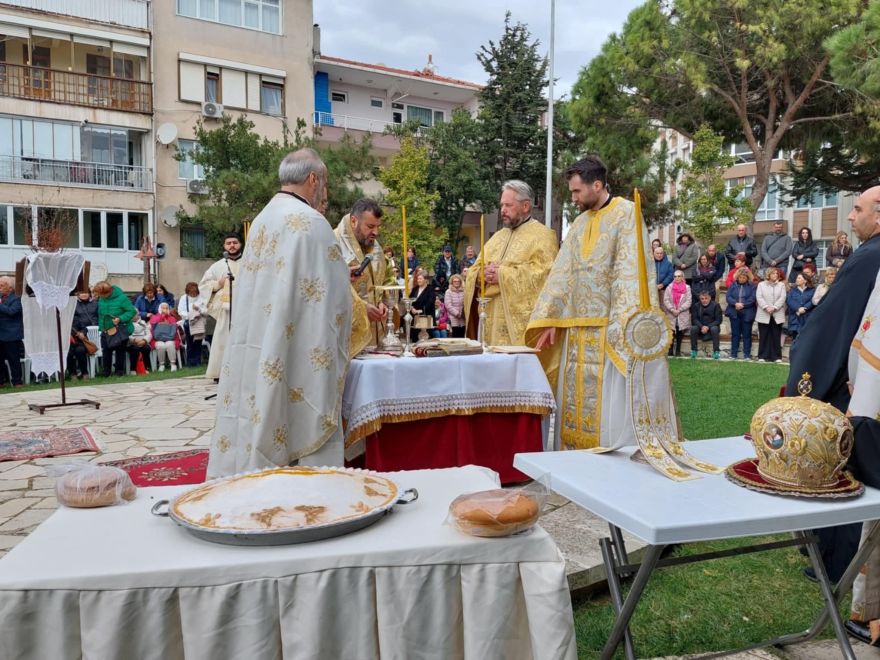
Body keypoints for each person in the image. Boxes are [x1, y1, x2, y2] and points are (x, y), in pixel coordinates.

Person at [207, 148, 370, 479]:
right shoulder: (311, 223)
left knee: (260, 410)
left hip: (261, 341)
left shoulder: (265, 218)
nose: (325, 192)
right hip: (292, 350)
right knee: (294, 423)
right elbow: (329, 302)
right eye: (324, 183)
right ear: (313, 180)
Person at [526, 155, 673, 451]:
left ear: (597, 185)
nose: (574, 198)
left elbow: (630, 270)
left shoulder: (627, 213)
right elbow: (563, 272)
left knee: (606, 410)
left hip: (608, 330)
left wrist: (623, 327)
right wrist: (552, 318)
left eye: (577, 191)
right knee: (574, 407)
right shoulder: (579, 224)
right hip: (576, 333)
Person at [786, 185, 880, 585]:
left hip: (855, 386)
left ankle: (838, 564)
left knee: (849, 475)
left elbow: (831, 324)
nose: (849, 216)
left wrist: (804, 372)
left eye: (856, 208)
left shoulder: (868, 258)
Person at [463, 180, 558, 346]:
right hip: (489, 322)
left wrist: (501, 274)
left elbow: (544, 275)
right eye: (501, 205)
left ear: (526, 206)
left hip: (517, 327)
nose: (503, 211)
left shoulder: (543, 236)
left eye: (508, 205)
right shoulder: (498, 237)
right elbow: (474, 269)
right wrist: (480, 275)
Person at [334, 198, 395, 347]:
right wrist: (361, 308)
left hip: (376, 333)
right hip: (347, 335)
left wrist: (384, 303)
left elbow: (387, 279)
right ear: (354, 221)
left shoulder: (376, 248)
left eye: (378, 227)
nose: (376, 232)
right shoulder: (333, 243)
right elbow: (328, 287)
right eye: (370, 226)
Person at [199, 232, 243, 380]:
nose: (232, 245)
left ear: (240, 244)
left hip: (245, 309)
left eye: (235, 242)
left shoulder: (250, 263)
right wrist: (219, 283)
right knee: (223, 338)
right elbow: (203, 285)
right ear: (224, 246)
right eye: (228, 243)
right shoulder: (218, 266)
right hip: (226, 311)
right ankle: (220, 373)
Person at [93, 280, 137, 378]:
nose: (99, 296)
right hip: (106, 329)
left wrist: (120, 319)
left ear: (106, 292)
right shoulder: (102, 299)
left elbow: (131, 311)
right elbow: (101, 315)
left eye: (100, 294)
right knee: (106, 351)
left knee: (120, 351)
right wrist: (102, 327)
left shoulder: (122, 298)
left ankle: (119, 372)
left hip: (120, 329)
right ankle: (106, 373)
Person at [725, 267, 757, 359]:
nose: (741, 279)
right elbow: (728, 297)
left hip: (747, 312)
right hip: (734, 312)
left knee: (747, 334)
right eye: (740, 277)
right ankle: (733, 354)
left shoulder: (752, 286)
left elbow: (753, 298)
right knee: (735, 334)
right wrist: (735, 303)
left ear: (747, 278)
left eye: (744, 278)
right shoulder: (733, 285)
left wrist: (742, 304)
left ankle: (747, 354)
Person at [755, 267, 786, 362]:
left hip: (777, 313)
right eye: (773, 273)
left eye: (777, 273)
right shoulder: (761, 284)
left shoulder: (781, 285)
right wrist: (766, 307)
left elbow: (783, 297)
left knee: (776, 335)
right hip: (764, 313)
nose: (775, 275)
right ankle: (762, 356)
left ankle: (776, 356)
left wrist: (775, 307)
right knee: (764, 335)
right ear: (768, 275)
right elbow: (759, 297)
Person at [67, 290, 98, 380]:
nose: (84, 295)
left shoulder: (95, 304)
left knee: (80, 351)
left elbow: (87, 325)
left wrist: (82, 332)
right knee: (69, 352)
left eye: (85, 292)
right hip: (70, 339)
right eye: (81, 293)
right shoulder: (67, 315)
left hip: (82, 338)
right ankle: (73, 373)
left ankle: (85, 372)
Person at [0, 276, 23, 388]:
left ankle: (17, 381)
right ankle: (1, 381)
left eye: (2, 285)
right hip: (0, 333)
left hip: (11, 334)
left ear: (10, 288)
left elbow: (12, 311)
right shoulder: (0, 297)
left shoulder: (17, 298)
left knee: (13, 359)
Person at [177, 282, 206, 367]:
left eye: (195, 293)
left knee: (198, 342)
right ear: (187, 292)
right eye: (191, 293)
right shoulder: (183, 298)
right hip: (188, 323)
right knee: (189, 343)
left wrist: (199, 310)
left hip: (199, 323)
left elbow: (205, 310)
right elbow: (180, 311)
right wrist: (191, 315)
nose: (193, 295)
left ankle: (197, 361)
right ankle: (190, 361)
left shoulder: (201, 298)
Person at [663, 271, 692, 357]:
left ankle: (678, 350)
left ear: (682, 277)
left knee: (679, 330)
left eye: (679, 276)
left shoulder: (687, 288)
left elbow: (688, 301)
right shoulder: (669, 287)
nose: (677, 278)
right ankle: (671, 350)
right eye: (675, 276)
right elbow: (666, 300)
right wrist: (672, 309)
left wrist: (679, 310)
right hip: (671, 313)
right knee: (671, 331)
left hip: (682, 313)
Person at [689, 290, 722, 359]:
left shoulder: (716, 305)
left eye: (706, 298)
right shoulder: (696, 306)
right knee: (693, 328)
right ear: (700, 299)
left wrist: (708, 327)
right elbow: (694, 319)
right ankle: (694, 351)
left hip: (712, 326)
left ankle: (716, 352)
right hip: (700, 327)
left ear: (710, 298)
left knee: (714, 329)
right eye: (702, 299)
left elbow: (718, 320)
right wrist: (702, 327)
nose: (704, 300)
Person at [150, 302, 180, 371]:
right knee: (161, 345)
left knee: (169, 344)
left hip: (170, 338)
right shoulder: (155, 317)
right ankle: (161, 364)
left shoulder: (172, 318)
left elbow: (174, 331)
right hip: (157, 339)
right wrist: (161, 316)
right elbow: (152, 327)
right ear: (160, 309)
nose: (165, 310)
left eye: (166, 308)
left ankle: (173, 364)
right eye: (163, 308)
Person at [786, 272, 815, 342]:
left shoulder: (812, 290)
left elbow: (813, 300)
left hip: (807, 318)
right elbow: (789, 301)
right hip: (795, 318)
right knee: (795, 341)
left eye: (799, 278)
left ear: (805, 280)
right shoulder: (792, 291)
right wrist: (798, 309)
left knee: (806, 341)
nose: (796, 280)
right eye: (797, 278)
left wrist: (805, 308)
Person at [410, 272, 435, 342]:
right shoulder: (415, 289)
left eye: (420, 279)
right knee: (415, 339)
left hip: (426, 317)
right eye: (418, 279)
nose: (418, 280)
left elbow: (430, 302)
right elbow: (410, 300)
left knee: (426, 339)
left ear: (426, 280)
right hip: (415, 317)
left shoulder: (430, 289)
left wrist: (421, 310)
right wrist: (412, 308)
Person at [444, 273, 466, 338]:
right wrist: (457, 313)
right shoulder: (448, 291)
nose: (456, 283)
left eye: (458, 281)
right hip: (453, 317)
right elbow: (448, 305)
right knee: (455, 336)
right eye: (455, 281)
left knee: (462, 336)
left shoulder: (464, 291)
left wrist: (462, 314)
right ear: (452, 282)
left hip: (463, 318)